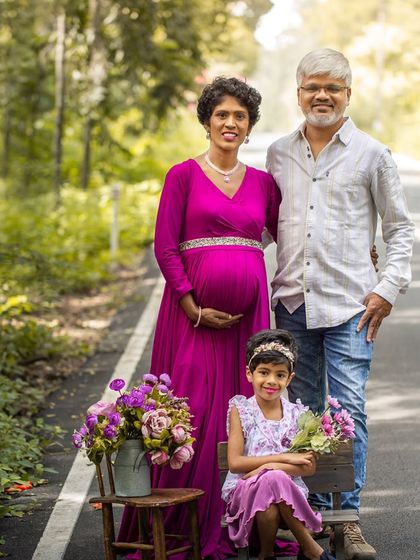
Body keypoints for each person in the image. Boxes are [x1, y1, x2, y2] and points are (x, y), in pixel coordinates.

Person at [118, 77, 281, 559]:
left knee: (240, 413)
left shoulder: (264, 184)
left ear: (250, 127)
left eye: (241, 116)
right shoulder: (182, 175)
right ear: (207, 121)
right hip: (190, 319)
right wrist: (191, 300)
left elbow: (285, 234)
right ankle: (177, 520)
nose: (231, 123)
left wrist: (244, 268)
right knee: (189, 411)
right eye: (222, 115)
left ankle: (237, 519)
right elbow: (165, 246)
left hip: (247, 323)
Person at [266, 48, 415, 560]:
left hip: (353, 305)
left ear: (348, 94)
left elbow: (398, 230)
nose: (322, 96)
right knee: (299, 412)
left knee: (345, 410)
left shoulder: (373, 154)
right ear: (298, 92)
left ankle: (346, 520)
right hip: (292, 304)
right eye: (312, 86)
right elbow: (263, 225)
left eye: (333, 87)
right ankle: (308, 514)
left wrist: (387, 288)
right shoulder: (278, 153)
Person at [223, 328, 336, 560]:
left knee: (273, 483)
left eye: (280, 374)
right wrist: (283, 460)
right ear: (249, 374)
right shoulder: (241, 410)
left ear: (290, 378)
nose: (271, 381)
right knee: (274, 479)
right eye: (264, 372)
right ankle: (311, 549)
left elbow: (308, 467)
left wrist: (265, 469)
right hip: (244, 492)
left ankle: (266, 554)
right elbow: (235, 463)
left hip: (290, 495)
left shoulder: (298, 414)